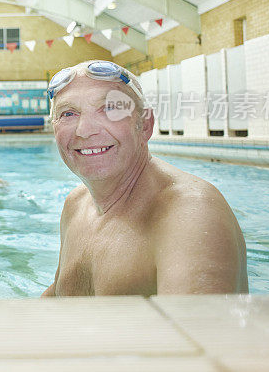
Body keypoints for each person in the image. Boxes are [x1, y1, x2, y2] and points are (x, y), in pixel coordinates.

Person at [41, 60, 247, 296]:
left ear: (145, 125)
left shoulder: (190, 214)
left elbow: (197, 329)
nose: (84, 130)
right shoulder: (75, 205)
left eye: (110, 109)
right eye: (68, 113)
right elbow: (57, 298)